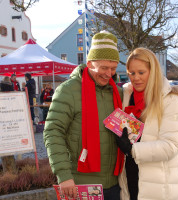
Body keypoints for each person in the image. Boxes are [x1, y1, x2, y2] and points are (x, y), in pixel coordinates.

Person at [43, 31, 124, 200]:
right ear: (89, 63)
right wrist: (64, 176)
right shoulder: (68, 90)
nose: (109, 74)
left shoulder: (118, 92)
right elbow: (53, 132)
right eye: (103, 68)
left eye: (113, 68)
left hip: (114, 185)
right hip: (80, 185)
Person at [116, 47, 178, 200]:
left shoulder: (171, 101)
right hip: (133, 184)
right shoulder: (128, 97)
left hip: (162, 189)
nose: (136, 78)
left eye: (141, 72)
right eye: (132, 73)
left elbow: (170, 146)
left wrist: (132, 149)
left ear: (152, 71)